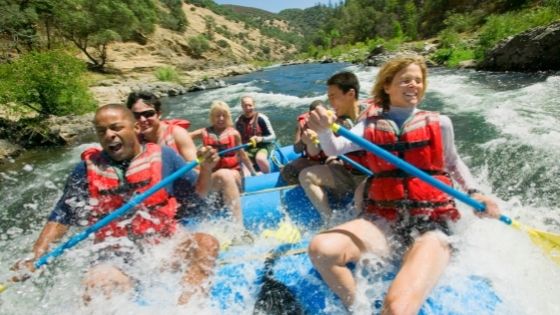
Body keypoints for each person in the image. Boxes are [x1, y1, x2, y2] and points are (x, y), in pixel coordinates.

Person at [307, 55, 501, 314]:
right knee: (322, 249)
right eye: (406, 80)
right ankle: (359, 308)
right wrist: (322, 131)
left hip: (430, 225)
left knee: (397, 308)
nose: (414, 85)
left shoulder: (440, 123)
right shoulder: (369, 125)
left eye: (418, 81)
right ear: (387, 86)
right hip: (384, 222)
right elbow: (335, 147)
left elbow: (453, 163)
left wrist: (476, 193)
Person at [16, 104, 220, 305]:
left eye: (116, 127)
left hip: (164, 247)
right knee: (99, 283)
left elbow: (196, 196)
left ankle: (187, 308)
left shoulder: (165, 157)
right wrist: (35, 256)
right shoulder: (85, 170)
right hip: (116, 256)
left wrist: (207, 169)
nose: (109, 135)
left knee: (207, 244)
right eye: (101, 131)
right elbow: (62, 215)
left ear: (136, 128)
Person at [298, 72, 367, 221]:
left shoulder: (372, 117)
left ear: (350, 94)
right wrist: (310, 141)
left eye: (333, 97)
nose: (330, 103)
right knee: (306, 175)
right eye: (329, 97)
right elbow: (316, 152)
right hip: (349, 173)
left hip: (369, 175)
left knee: (360, 192)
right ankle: (329, 221)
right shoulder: (335, 122)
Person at [190, 100, 256, 223]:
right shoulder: (204, 132)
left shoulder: (234, 134)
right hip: (212, 175)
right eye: (217, 115)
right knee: (219, 175)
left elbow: (242, 154)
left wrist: (253, 172)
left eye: (223, 116)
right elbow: (186, 138)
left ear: (227, 117)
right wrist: (195, 153)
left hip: (233, 172)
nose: (220, 119)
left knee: (227, 174)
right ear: (212, 117)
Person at [126, 91, 197, 162]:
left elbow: (195, 167)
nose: (142, 120)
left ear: (159, 114)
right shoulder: (134, 140)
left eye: (148, 114)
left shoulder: (177, 134)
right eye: (136, 115)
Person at [280, 100, 327, 185]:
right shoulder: (302, 125)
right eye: (315, 114)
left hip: (329, 159)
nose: (318, 117)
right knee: (288, 171)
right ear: (310, 115)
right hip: (311, 160)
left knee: (336, 164)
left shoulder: (333, 121)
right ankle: (303, 191)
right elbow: (296, 149)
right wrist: (304, 140)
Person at [234, 95, 276, 175]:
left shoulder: (261, 118)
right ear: (242, 107)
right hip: (247, 149)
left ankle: (268, 177)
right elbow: (237, 140)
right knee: (242, 165)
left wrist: (261, 139)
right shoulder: (238, 121)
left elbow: (273, 136)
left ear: (254, 105)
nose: (247, 108)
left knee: (260, 159)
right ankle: (250, 182)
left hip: (263, 147)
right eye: (245, 106)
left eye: (250, 105)